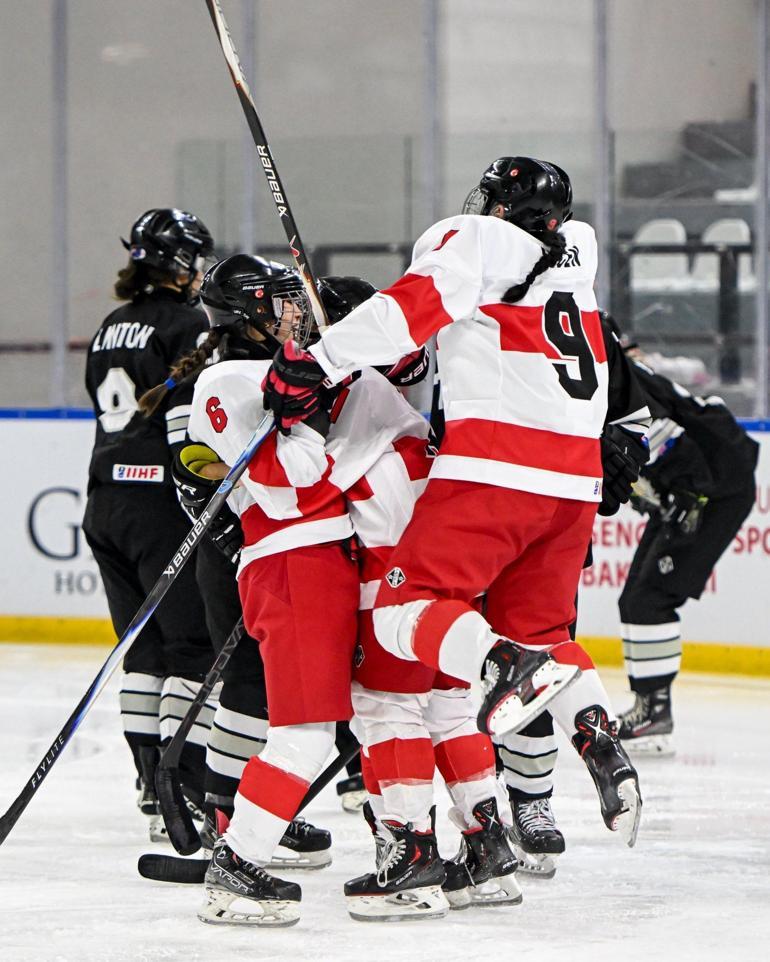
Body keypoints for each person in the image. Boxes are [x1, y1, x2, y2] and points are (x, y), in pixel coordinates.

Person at [263, 156, 647, 850]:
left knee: (402, 611)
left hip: (499, 466)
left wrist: (314, 362)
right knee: (545, 634)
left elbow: (411, 309)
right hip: (573, 485)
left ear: (499, 205)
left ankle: (499, 666)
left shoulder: (478, 240)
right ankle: (599, 739)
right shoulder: (576, 257)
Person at [140, 253, 334, 870]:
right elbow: (225, 470)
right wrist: (228, 534)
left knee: (264, 681)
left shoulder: (266, 366)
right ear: (250, 309)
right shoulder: (228, 379)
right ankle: (230, 806)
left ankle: (238, 803)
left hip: (267, 549)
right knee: (252, 678)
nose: (295, 311)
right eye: (283, 301)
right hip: (249, 549)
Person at [82, 208, 217, 841]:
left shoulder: (111, 326)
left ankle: (148, 784)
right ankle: (181, 790)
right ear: (179, 262)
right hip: (162, 506)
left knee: (145, 653)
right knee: (191, 648)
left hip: (104, 502)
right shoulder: (189, 324)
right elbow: (188, 423)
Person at [610, 317, 759, 754]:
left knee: (649, 598)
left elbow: (667, 433)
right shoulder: (614, 368)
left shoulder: (611, 375)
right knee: (635, 598)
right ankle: (649, 706)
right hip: (696, 484)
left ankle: (654, 710)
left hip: (712, 487)